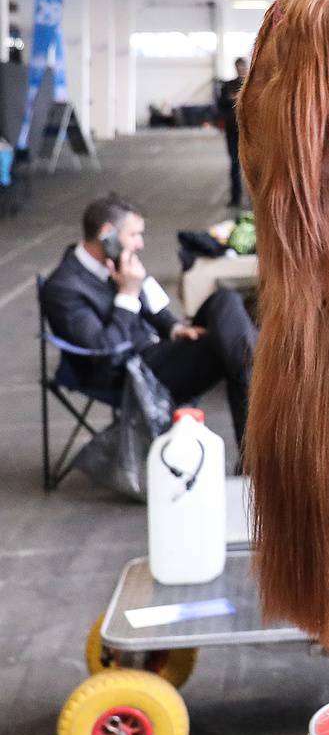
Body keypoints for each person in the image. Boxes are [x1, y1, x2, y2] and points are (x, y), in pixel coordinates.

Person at [41, 193, 257, 452]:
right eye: (134, 235)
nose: (140, 244)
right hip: (130, 371)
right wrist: (128, 294)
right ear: (107, 233)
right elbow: (105, 352)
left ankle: (252, 369)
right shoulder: (63, 288)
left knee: (226, 299)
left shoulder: (117, 260)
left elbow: (153, 306)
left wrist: (175, 329)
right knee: (223, 349)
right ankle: (255, 443)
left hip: (159, 349)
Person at [217, 57, 248, 208]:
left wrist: (236, 98)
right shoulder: (227, 86)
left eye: (243, 67)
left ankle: (253, 201)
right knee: (234, 165)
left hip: (249, 133)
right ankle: (235, 199)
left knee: (252, 167)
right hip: (232, 131)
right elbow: (220, 106)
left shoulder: (253, 85)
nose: (240, 69)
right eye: (238, 67)